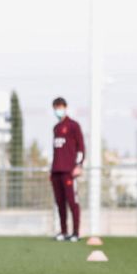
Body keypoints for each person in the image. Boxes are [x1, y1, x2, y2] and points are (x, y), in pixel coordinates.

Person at [50, 97, 85, 242]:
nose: (58, 110)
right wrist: (51, 170)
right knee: (60, 203)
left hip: (69, 172)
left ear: (65, 107)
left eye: (60, 107)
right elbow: (56, 151)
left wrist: (79, 165)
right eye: (55, 107)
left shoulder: (73, 125)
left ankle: (75, 232)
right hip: (56, 171)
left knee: (72, 202)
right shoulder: (56, 128)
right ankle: (63, 232)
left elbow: (81, 148)